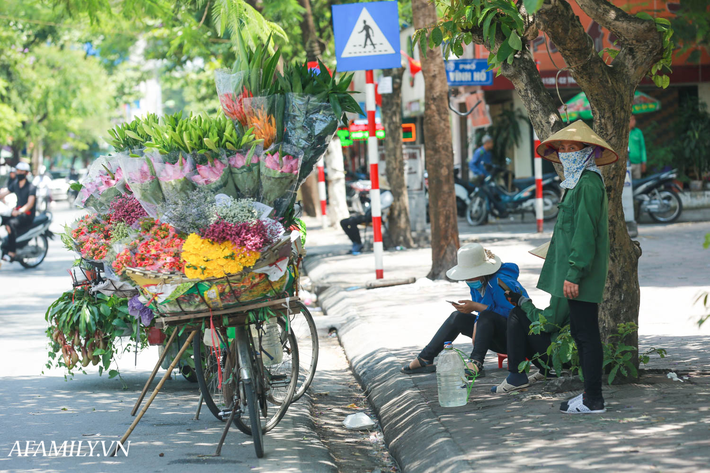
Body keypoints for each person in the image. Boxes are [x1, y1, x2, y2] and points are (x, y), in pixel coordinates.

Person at [535, 121, 616, 414]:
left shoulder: (589, 184)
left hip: (581, 275)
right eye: (564, 148)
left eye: (574, 147)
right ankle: (588, 395)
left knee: (586, 335)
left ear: (587, 151)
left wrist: (574, 273)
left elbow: (584, 234)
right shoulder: (576, 182)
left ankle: (594, 399)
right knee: (583, 334)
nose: (567, 152)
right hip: (577, 274)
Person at [401, 243, 529, 379]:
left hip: (517, 339)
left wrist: (476, 308)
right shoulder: (478, 283)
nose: (469, 280)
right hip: (496, 333)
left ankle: (476, 362)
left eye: (472, 276)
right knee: (457, 317)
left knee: (486, 316)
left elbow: (515, 316)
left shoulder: (500, 282)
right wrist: (476, 321)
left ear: (483, 271)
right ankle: (425, 359)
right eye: (467, 276)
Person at [491, 294, 570, 393]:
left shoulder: (565, 285)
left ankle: (517, 375)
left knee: (517, 314)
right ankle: (547, 370)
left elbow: (549, 323)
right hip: (570, 350)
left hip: (564, 353)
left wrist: (524, 303)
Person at [0, 162, 37, 262]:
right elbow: (4, 193)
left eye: (21, 171)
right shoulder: (15, 184)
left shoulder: (31, 187)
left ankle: (12, 251)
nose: (19, 173)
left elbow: (30, 204)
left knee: (10, 224)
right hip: (16, 213)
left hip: (27, 215)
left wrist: (20, 211)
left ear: (26, 173)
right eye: (18, 170)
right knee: (3, 219)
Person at [340, 188, 393, 255]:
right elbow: (367, 207)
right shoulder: (377, 191)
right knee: (343, 222)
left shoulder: (387, 194)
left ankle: (358, 244)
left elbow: (382, 206)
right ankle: (355, 242)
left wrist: (372, 205)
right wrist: (365, 200)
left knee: (352, 221)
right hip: (368, 214)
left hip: (376, 217)